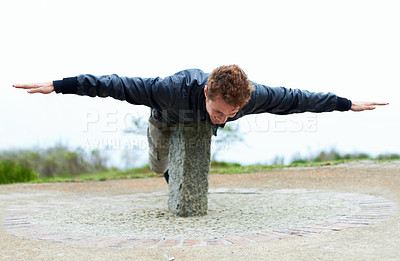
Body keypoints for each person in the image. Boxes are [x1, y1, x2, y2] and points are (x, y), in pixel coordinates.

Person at [13, 65, 388, 183]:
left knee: (193, 165)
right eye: (221, 110)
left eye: (231, 115)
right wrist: (59, 86)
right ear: (208, 89)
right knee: (158, 165)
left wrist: (345, 104)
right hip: (167, 119)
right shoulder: (167, 90)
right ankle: (165, 170)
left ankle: (183, 176)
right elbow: (112, 85)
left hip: (195, 129)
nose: (226, 118)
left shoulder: (249, 98)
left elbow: (296, 99)